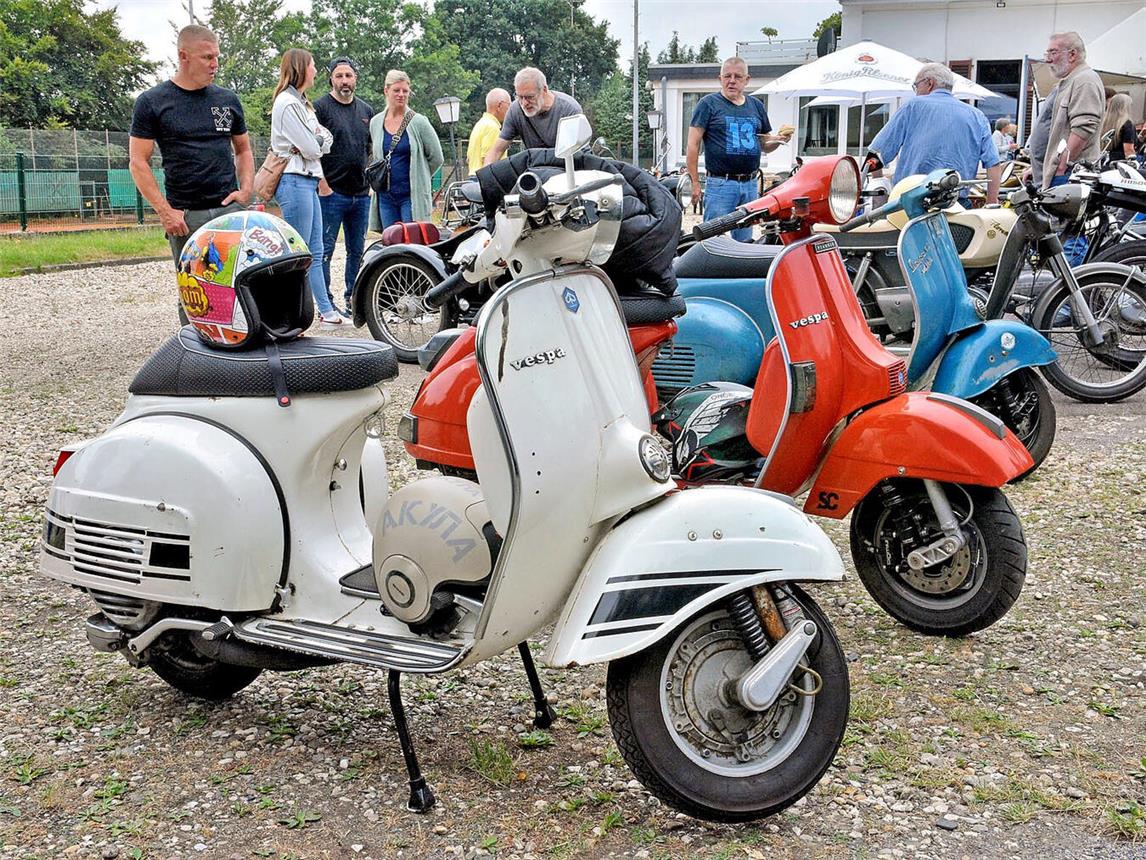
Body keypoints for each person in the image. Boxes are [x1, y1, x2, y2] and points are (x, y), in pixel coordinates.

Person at [129, 25, 253, 280]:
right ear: (183, 56)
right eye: (207, 57)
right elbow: (138, 162)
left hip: (229, 210)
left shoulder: (227, 100)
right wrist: (165, 212)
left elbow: (243, 149)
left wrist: (246, 191)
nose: (215, 64)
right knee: (194, 290)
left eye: (217, 56)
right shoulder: (153, 102)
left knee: (237, 284)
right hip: (186, 216)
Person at [686, 57, 792, 242]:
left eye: (737, 76)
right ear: (720, 78)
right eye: (727, 76)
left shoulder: (756, 106)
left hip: (750, 184)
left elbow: (765, 144)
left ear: (747, 80)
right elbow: (692, 145)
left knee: (745, 242)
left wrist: (780, 140)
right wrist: (694, 183)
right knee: (712, 241)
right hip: (720, 184)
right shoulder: (708, 104)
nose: (732, 80)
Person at [271, 48, 341, 325]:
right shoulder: (287, 104)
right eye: (312, 65)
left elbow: (324, 138)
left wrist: (317, 141)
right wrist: (316, 142)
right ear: (301, 68)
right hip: (293, 180)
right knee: (298, 252)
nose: (315, 71)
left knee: (314, 250)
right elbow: (313, 147)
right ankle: (289, 312)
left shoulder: (303, 104)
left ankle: (325, 310)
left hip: (308, 180)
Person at [866, 62, 1000, 205]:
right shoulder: (977, 116)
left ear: (929, 82)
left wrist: (879, 186)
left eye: (916, 86)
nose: (915, 91)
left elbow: (875, 154)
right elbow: (993, 164)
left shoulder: (912, 106)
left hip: (913, 204)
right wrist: (991, 201)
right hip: (957, 205)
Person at [314, 56, 374, 317]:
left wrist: (371, 183)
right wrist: (322, 184)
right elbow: (312, 150)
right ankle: (325, 303)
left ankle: (353, 298)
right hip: (331, 193)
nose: (344, 81)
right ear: (331, 79)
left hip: (361, 194)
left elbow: (371, 149)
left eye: (348, 76)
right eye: (339, 76)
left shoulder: (366, 111)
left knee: (357, 250)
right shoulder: (320, 108)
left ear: (355, 78)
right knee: (325, 250)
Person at [367, 70, 444, 229]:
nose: (401, 94)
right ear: (386, 91)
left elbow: (437, 157)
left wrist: (420, 176)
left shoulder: (419, 122)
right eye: (396, 90)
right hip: (386, 196)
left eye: (405, 91)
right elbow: (376, 155)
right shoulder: (376, 123)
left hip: (411, 196)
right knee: (391, 242)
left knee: (413, 241)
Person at [1026, 32, 1104, 188]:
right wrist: (1041, 167)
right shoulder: (1070, 81)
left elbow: (1084, 127)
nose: (1048, 59)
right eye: (1047, 53)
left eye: (1053, 52)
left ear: (1072, 54)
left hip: (1066, 177)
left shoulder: (1084, 80)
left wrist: (1061, 168)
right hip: (1058, 175)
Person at [483, 68, 583, 164]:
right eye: (519, 97)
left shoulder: (569, 110)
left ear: (544, 90)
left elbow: (578, 155)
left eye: (529, 97)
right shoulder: (516, 110)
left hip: (567, 172)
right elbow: (496, 151)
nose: (524, 103)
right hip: (535, 172)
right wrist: (486, 176)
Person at [467, 88, 511, 174]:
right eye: (509, 105)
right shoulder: (492, 127)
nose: (510, 109)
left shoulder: (480, 124)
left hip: (473, 177)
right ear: (499, 105)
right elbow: (489, 162)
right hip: (484, 179)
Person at [1100, 93, 1137, 162]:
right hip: (1120, 164)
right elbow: (1128, 150)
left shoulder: (1103, 123)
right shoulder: (1127, 123)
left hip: (1104, 161)